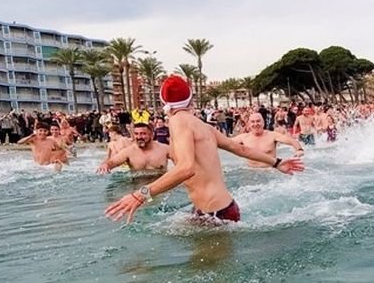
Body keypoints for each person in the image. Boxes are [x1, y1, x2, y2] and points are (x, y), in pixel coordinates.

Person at [104, 75, 304, 224]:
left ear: (164, 103)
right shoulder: (202, 125)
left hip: (216, 214)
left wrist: (141, 194)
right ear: (190, 100)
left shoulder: (178, 121)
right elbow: (239, 149)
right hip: (215, 209)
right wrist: (277, 162)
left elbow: (186, 168)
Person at [230, 111, 304, 168]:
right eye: (253, 122)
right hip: (251, 172)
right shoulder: (243, 137)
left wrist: (299, 150)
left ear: (263, 122)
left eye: (258, 121)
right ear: (249, 124)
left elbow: (291, 140)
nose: (256, 124)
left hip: (270, 171)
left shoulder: (272, 135)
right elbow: (225, 143)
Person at [96, 122, 170, 175]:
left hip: (160, 187)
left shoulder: (164, 149)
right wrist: (106, 165)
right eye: (136, 134)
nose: (139, 137)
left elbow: (180, 162)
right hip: (137, 187)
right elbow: (114, 161)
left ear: (151, 135)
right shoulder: (129, 151)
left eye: (143, 134)